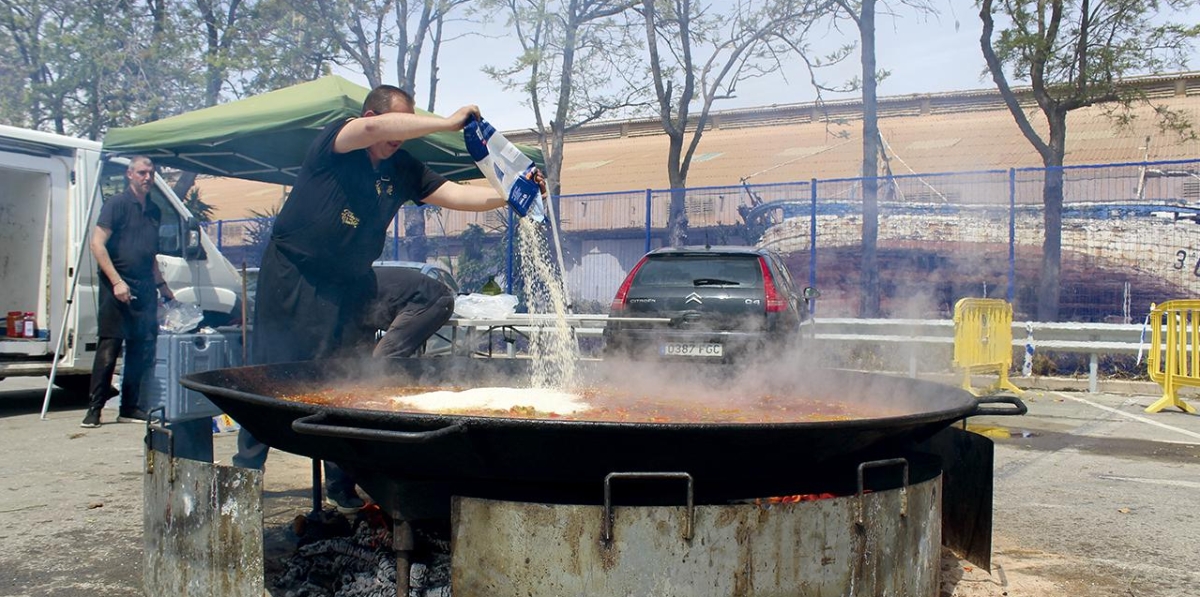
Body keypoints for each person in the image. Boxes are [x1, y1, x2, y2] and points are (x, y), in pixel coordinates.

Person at [233, 85, 515, 512]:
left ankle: (343, 483)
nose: (397, 139)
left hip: (352, 281)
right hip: (296, 277)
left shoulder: (401, 167)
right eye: (394, 128)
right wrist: (446, 123)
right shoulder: (338, 143)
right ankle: (243, 480)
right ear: (367, 118)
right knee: (275, 374)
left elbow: (457, 195)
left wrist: (512, 193)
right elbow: (379, 127)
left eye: (404, 130)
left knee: (363, 362)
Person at [81, 156, 175, 428]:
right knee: (109, 348)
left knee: (141, 348)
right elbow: (97, 245)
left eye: (151, 173)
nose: (147, 178)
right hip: (117, 286)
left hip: (145, 286)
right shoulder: (116, 205)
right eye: (142, 173)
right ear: (129, 175)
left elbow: (151, 254)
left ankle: (129, 407)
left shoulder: (154, 211)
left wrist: (163, 287)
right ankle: (94, 409)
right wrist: (117, 282)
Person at [361, 267, 456, 358]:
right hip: (424, 299)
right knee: (370, 356)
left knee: (383, 356)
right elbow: (365, 334)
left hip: (429, 300)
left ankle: (400, 374)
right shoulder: (358, 285)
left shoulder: (354, 291)